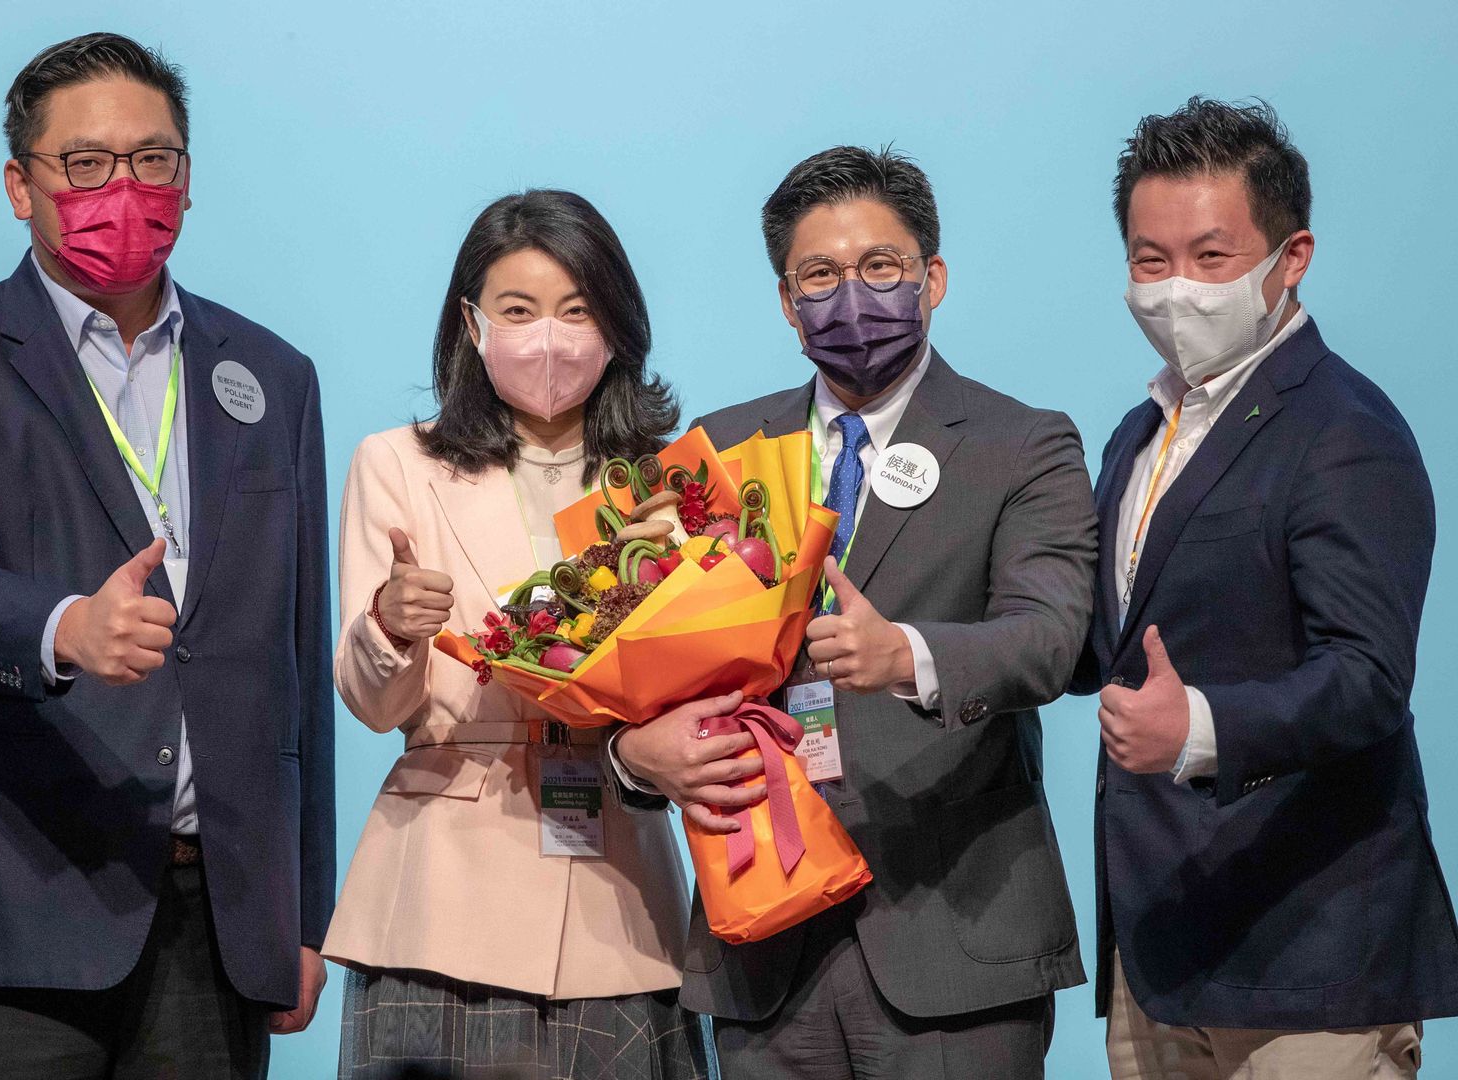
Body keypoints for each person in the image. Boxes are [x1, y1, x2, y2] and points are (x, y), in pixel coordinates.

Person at [0, 32, 332, 1079]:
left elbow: (294, 655)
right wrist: (63, 628)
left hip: (218, 922)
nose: (124, 187)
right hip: (8, 916)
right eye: (85, 163)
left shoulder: (270, 373)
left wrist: (306, 906)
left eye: (152, 159)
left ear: (189, 180)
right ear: (20, 186)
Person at [611, 146, 1096, 1078]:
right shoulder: (718, 448)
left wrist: (904, 654)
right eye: (820, 276)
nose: (852, 296)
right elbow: (640, 663)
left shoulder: (1022, 443)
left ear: (933, 279)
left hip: (951, 937)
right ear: (787, 303)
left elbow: (1047, 640)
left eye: (881, 268)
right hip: (763, 941)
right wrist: (636, 759)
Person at [1073, 96, 1458, 1080]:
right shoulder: (1139, 431)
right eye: (1148, 261)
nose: (1176, 290)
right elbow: (1095, 644)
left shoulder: (1345, 432)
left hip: (1307, 957)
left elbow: (1368, 678)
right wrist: (921, 652)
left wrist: (1196, 727)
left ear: (1292, 258)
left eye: (1211, 257)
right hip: (1161, 953)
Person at [322, 189, 712, 1079]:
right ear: (470, 322)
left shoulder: (663, 481)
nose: (550, 338)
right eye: (518, 311)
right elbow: (375, 704)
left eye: (577, 311)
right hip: (443, 903)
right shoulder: (398, 462)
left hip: (624, 903)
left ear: (616, 325)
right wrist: (389, 625)